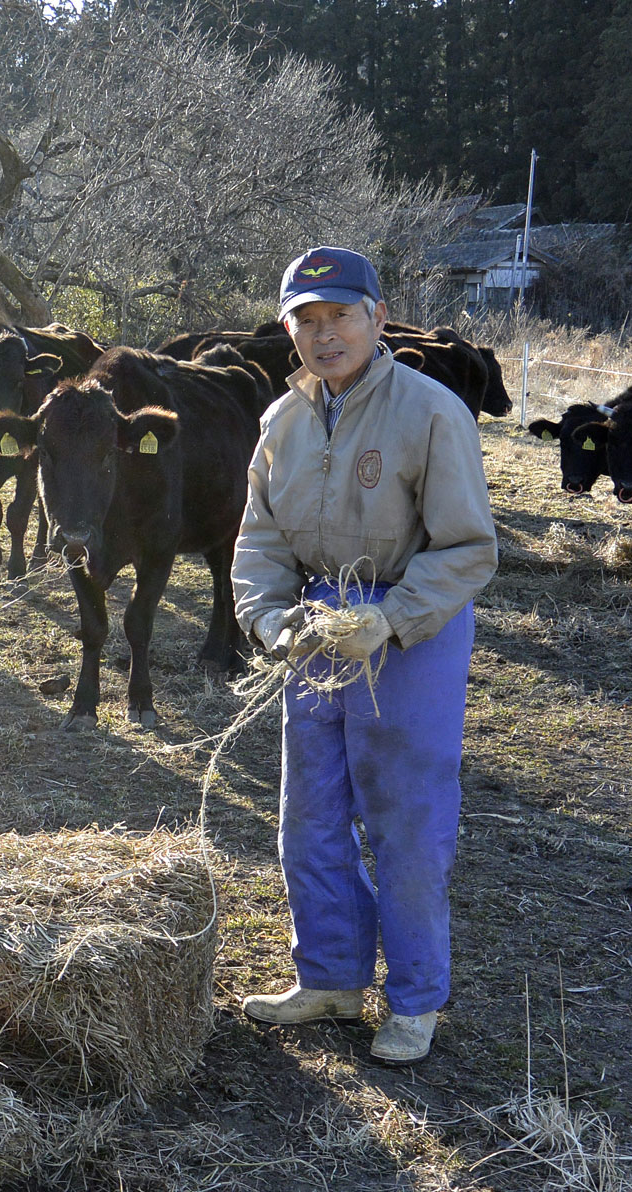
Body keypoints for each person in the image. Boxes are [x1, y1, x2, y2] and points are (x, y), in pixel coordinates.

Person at [231, 246, 498, 1064]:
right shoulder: (281, 422)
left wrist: (391, 619)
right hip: (317, 625)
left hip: (405, 628)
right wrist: (275, 623)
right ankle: (332, 977)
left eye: (341, 314)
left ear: (378, 317)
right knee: (308, 814)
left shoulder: (430, 412)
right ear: (289, 331)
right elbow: (260, 540)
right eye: (306, 319)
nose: (325, 333)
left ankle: (415, 999)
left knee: (407, 819)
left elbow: (467, 547)